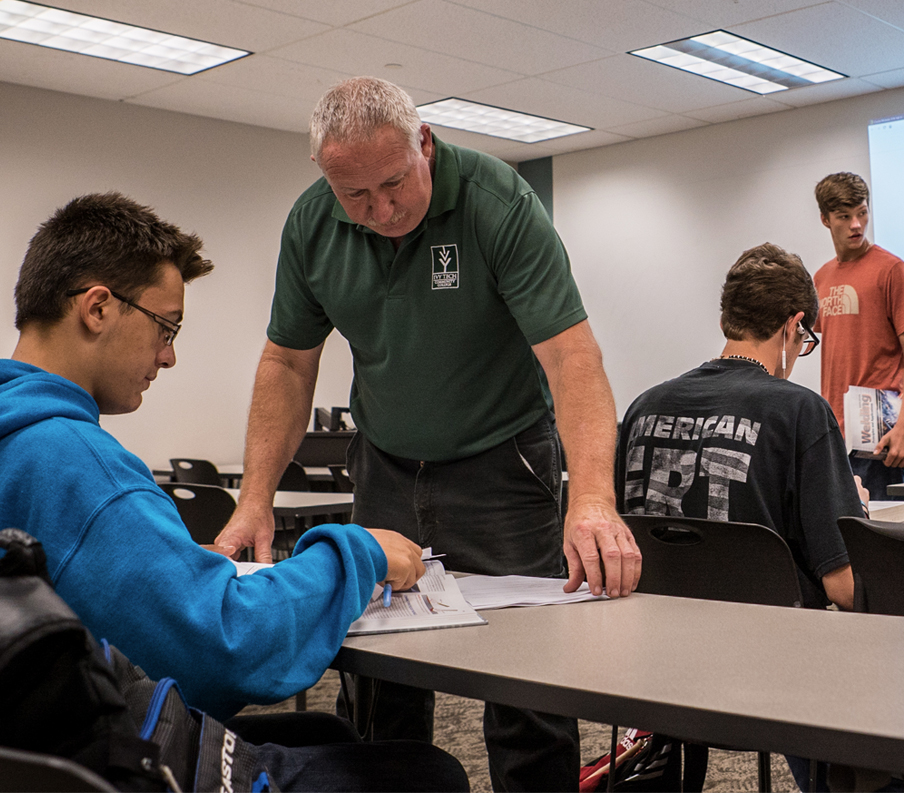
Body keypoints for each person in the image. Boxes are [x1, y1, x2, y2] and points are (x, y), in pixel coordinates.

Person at [215, 76, 641, 792]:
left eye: (393, 183)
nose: (381, 210)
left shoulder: (496, 201)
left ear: (424, 144)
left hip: (504, 464)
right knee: (380, 680)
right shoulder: (313, 225)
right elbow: (288, 362)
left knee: (528, 685)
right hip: (384, 464)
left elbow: (571, 356)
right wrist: (255, 497)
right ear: (326, 177)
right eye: (356, 194)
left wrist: (593, 495)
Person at [0, 192, 468, 792]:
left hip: (36, 748)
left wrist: (181, 578)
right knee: (428, 773)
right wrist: (358, 552)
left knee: (328, 734)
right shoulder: (75, 462)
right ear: (97, 308)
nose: (168, 357)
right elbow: (224, 649)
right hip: (109, 766)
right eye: (166, 328)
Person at [616, 242, 865, 792]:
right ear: (793, 325)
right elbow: (845, 586)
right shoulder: (799, 411)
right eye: (805, 340)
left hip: (656, 675)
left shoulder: (642, 408)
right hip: (776, 683)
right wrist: (852, 507)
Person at [813, 172, 904, 499]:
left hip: (883, 433)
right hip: (836, 434)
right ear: (825, 219)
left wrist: (903, 428)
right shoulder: (821, 277)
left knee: (881, 538)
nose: (856, 224)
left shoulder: (892, 270)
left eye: (862, 213)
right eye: (845, 216)